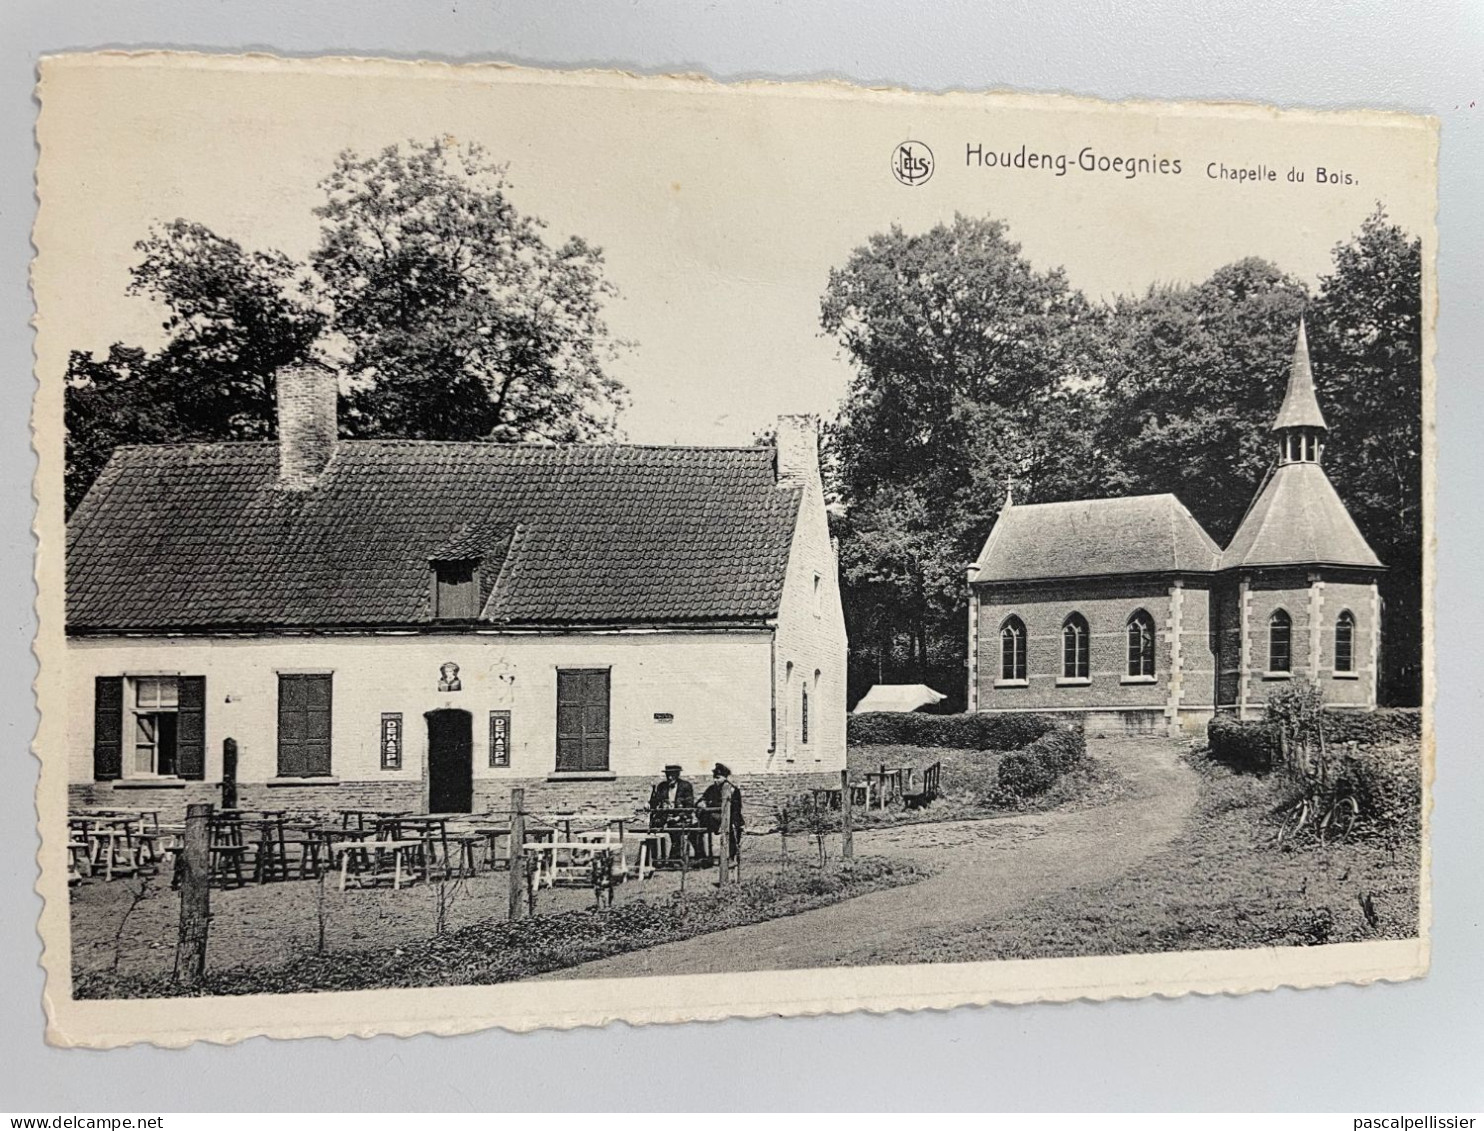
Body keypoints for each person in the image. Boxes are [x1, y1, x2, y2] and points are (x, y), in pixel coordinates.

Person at [648, 764, 696, 865]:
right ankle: (653, 859)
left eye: (673, 775)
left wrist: (678, 817)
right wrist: (649, 804)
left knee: (677, 831)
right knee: (652, 828)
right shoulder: (662, 787)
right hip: (665, 816)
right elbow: (655, 802)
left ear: (677, 775)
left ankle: (674, 859)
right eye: (668, 775)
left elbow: (689, 806)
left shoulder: (685, 786)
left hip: (680, 817)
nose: (670, 778)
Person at [698, 762, 744, 861]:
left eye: (718, 777)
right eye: (714, 777)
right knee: (696, 828)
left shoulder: (733, 790)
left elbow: (736, 809)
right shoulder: (711, 789)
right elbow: (702, 799)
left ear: (725, 777)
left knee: (733, 829)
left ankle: (731, 857)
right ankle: (703, 858)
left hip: (729, 817)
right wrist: (702, 802)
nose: (715, 780)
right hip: (713, 819)